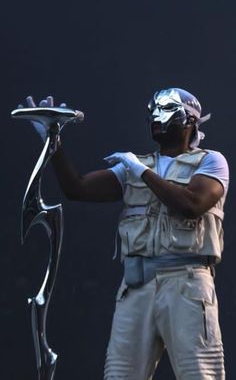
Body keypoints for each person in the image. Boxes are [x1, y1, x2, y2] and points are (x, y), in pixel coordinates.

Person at [25, 87, 229, 380]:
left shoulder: (210, 162)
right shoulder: (135, 166)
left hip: (186, 285)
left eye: (167, 110)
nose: (156, 118)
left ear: (190, 120)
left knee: (201, 373)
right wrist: (52, 139)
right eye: (153, 111)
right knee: (120, 375)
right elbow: (77, 188)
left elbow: (192, 204)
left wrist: (140, 171)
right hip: (136, 286)